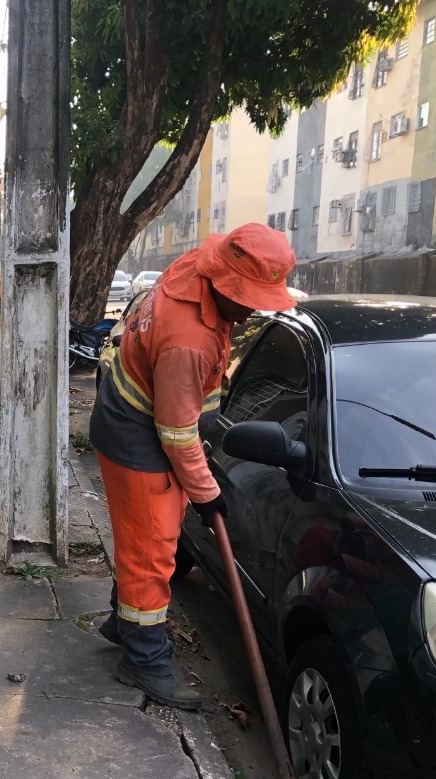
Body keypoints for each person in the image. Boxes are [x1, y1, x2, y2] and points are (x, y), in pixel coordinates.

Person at [89, 223, 296, 710]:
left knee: (143, 539)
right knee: (153, 552)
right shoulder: (188, 342)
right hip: (139, 437)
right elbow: (178, 434)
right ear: (224, 282)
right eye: (247, 298)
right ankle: (144, 660)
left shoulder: (203, 261)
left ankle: (123, 624)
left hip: (133, 417)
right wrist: (207, 494)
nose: (251, 311)